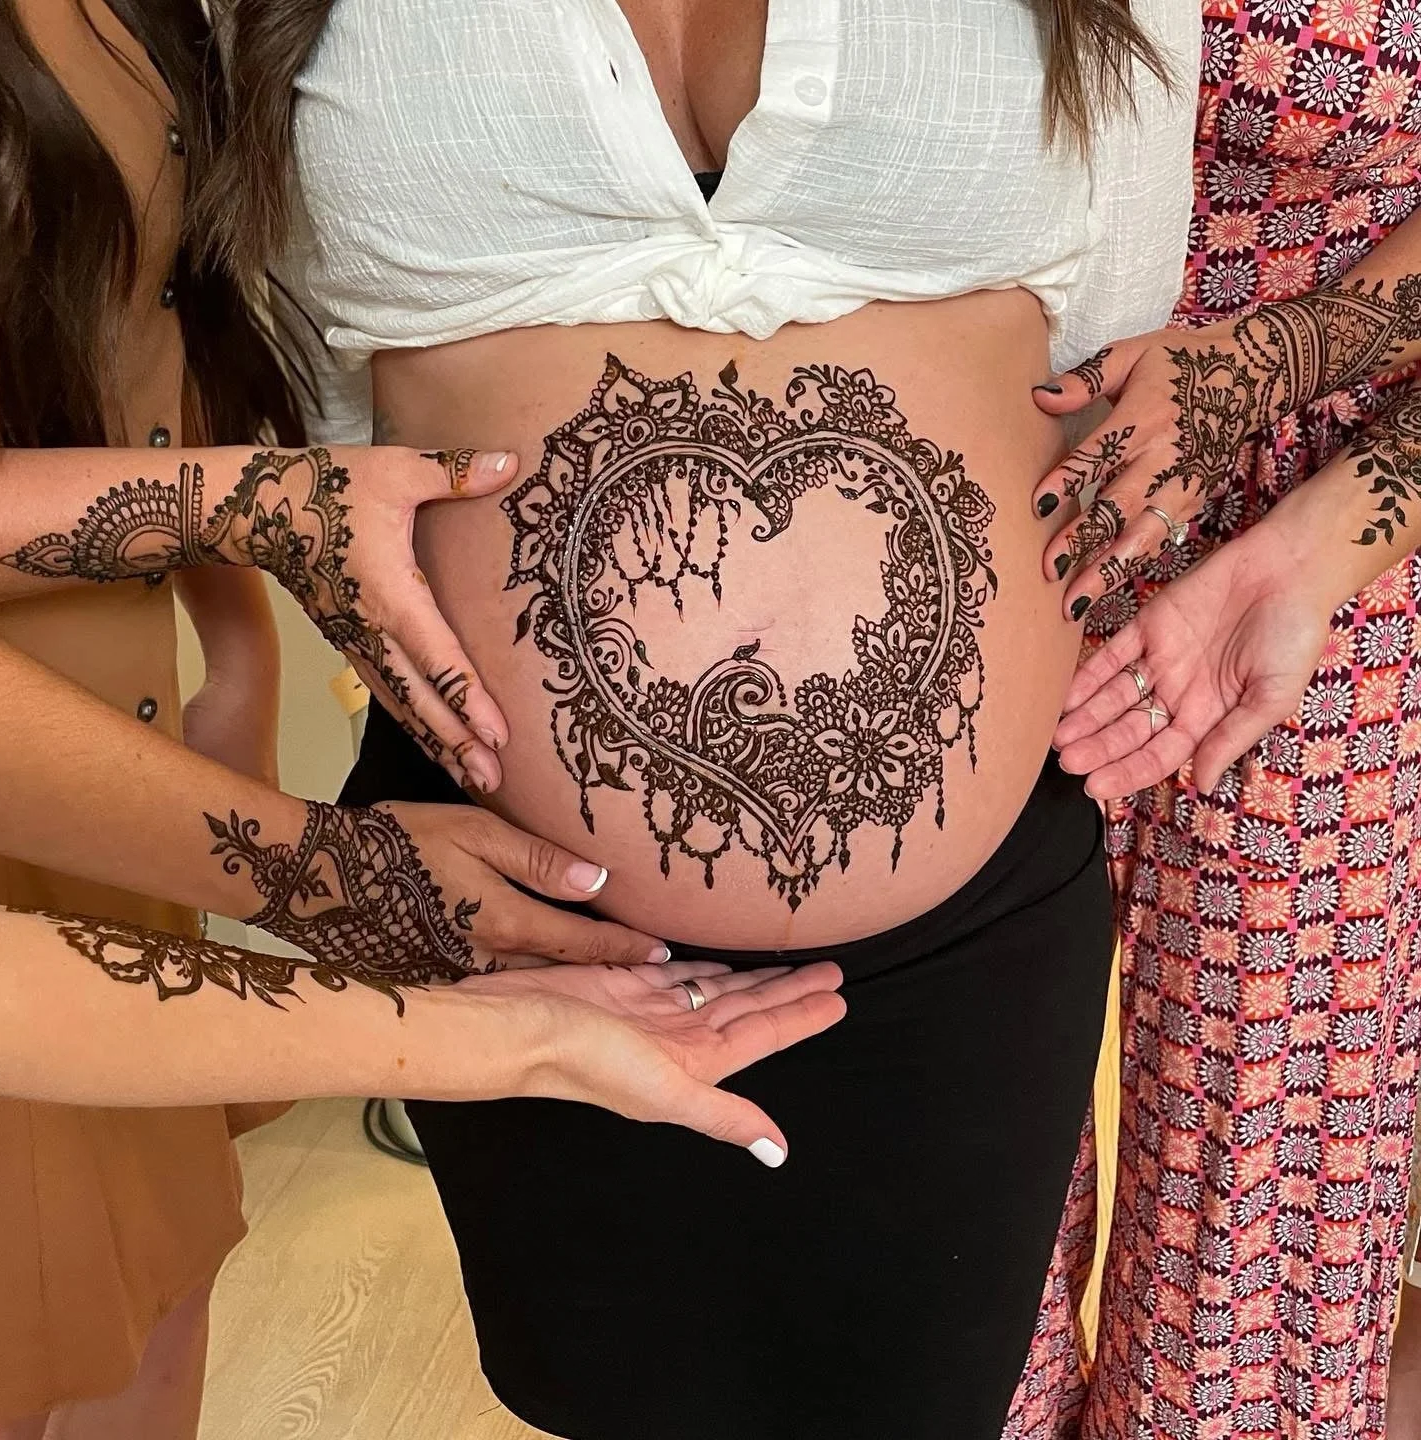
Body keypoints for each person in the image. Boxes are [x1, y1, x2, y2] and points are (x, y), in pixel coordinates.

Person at [197, 2, 1200, 1436]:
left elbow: (1110, 336)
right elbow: (248, 337)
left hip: (966, 935)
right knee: (607, 1397)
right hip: (518, 899)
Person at [0, 4, 842, 1436]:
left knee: (134, 1322)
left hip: (116, 818)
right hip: (64, 828)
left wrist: (238, 642)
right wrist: (303, 861)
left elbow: (131, 328)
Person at [1003, 4, 1421, 1435]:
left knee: (1257, 1235)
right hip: (963, 550)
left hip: (1325, 567)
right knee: (950, 1218)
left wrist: (1265, 387)